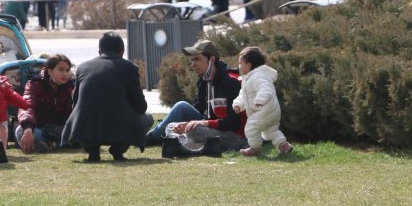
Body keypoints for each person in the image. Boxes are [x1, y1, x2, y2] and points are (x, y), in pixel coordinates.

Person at [62, 32, 153, 162]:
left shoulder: (82, 68)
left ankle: (93, 152)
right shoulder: (129, 68)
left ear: (99, 51)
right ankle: (118, 149)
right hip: (117, 129)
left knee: (87, 113)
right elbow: (140, 106)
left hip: (84, 129)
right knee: (147, 118)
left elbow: (76, 103)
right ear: (122, 51)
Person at [145, 39, 246, 150]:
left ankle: (162, 140)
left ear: (212, 59)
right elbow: (201, 109)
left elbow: (233, 124)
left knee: (194, 130)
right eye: (192, 60)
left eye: (197, 59)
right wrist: (188, 123)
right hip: (213, 128)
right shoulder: (205, 80)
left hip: (233, 135)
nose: (193, 65)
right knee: (173, 123)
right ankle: (160, 139)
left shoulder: (230, 81)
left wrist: (202, 124)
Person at [232, 46, 293, 156]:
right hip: (271, 111)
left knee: (251, 127)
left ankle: (255, 148)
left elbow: (265, 88)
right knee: (270, 131)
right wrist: (238, 105)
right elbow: (244, 95)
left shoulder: (257, 76)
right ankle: (284, 146)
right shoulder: (249, 78)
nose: (239, 66)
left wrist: (260, 99)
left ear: (249, 65)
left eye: (240, 63)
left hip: (264, 110)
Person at [15, 54, 75, 154]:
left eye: (67, 70)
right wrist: (28, 128)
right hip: (39, 128)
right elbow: (26, 106)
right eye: (60, 70)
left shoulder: (71, 86)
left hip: (60, 130)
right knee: (20, 130)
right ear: (50, 71)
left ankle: (49, 144)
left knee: (81, 132)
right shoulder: (35, 84)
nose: (65, 73)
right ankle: (53, 144)